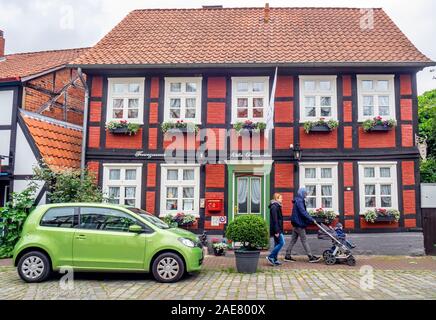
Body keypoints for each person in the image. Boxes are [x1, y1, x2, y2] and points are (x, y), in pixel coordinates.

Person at [284, 187, 322, 263]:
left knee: (293, 240)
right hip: (299, 224)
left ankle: (287, 256)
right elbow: (303, 212)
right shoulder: (299, 201)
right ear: (302, 193)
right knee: (304, 240)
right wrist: (312, 219)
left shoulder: (298, 200)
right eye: (305, 193)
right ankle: (310, 257)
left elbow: (302, 212)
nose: (306, 194)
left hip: (295, 223)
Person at [267, 193, 285, 266]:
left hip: (278, 228)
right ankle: (271, 256)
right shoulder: (274, 207)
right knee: (282, 242)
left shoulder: (277, 206)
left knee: (277, 243)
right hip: (277, 229)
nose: (282, 199)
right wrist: (277, 231)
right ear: (276, 199)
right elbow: (275, 220)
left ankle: (275, 259)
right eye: (280, 198)